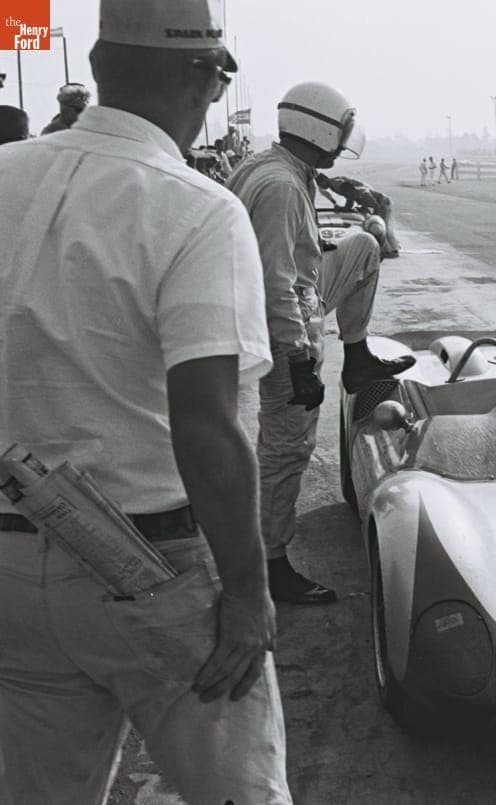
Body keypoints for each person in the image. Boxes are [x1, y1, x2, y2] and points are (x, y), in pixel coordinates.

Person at [0, 1, 292, 802]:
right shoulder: (195, 207)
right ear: (203, 77)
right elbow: (206, 422)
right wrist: (246, 591)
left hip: (13, 564)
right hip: (149, 566)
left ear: (98, 69)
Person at [226, 82, 415, 605]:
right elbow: (275, 284)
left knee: (361, 247)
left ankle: (357, 355)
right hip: (282, 326)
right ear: (321, 128)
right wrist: (300, 360)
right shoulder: (284, 188)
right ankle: (267, 563)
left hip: (289, 304)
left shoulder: (276, 169)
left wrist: (333, 191)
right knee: (288, 448)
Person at [315, 172, 401, 258]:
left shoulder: (344, 186)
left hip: (383, 202)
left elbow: (374, 205)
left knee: (382, 226)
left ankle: (392, 250)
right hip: (377, 201)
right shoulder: (337, 184)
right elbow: (349, 196)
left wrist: (347, 207)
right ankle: (389, 248)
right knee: (380, 226)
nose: (321, 187)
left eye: (320, 184)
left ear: (324, 180)